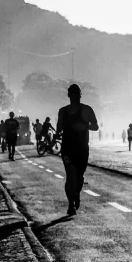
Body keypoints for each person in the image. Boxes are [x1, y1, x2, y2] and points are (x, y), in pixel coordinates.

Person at [57, 83, 99, 216]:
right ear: (69, 95)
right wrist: (57, 133)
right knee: (70, 176)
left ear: (80, 96)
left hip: (82, 150)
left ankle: (76, 194)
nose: (75, 97)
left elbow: (96, 126)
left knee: (79, 177)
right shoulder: (62, 112)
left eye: (76, 95)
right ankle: (71, 204)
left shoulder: (87, 110)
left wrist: (84, 126)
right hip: (67, 149)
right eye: (73, 94)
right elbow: (58, 129)